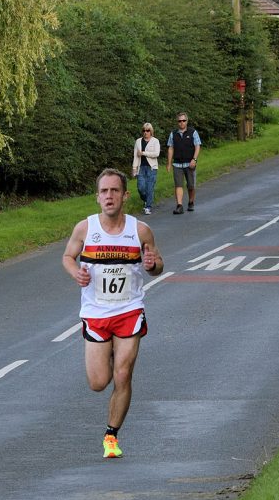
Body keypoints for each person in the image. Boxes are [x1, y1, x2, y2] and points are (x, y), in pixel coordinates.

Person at [62, 168, 163, 459]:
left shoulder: (140, 230)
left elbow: (157, 265)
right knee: (98, 382)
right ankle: (108, 351)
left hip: (129, 310)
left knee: (122, 374)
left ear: (125, 195)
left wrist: (152, 264)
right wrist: (76, 273)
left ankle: (111, 435)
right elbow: (68, 257)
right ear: (97, 197)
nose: (109, 196)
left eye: (115, 191)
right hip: (96, 313)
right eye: (104, 191)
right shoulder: (85, 228)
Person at [166, 111, 201, 213]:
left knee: (191, 185)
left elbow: (197, 146)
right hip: (177, 164)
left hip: (189, 163)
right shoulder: (173, 134)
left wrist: (194, 159)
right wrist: (169, 163)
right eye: (179, 121)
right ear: (177, 122)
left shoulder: (193, 132)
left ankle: (191, 202)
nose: (181, 122)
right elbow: (170, 148)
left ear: (187, 121)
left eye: (183, 120)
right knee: (178, 185)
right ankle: (179, 205)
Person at [132, 122, 161, 214]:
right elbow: (136, 155)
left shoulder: (155, 141)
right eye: (144, 130)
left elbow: (156, 153)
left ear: (151, 131)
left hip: (152, 168)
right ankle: (147, 200)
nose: (145, 132)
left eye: (148, 130)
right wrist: (134, 168)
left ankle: (148, 207)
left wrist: (144, 153)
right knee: (141, 188)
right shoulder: (138, 141)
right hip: (141, 167)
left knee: (150, 188)